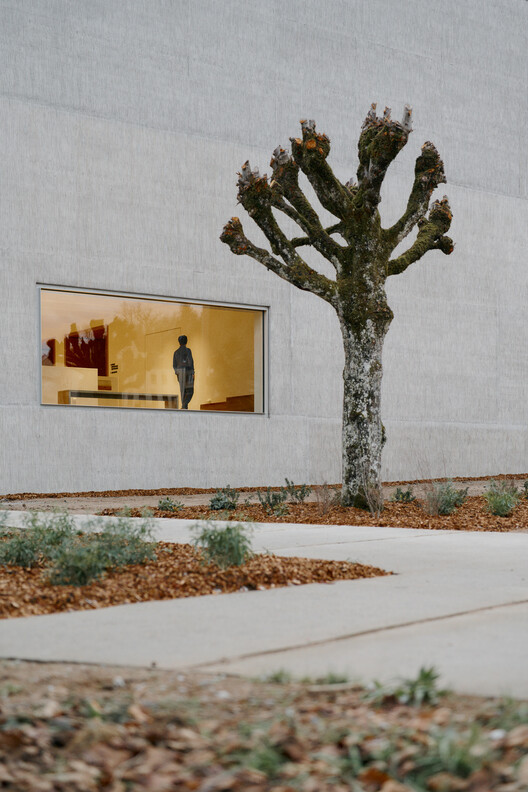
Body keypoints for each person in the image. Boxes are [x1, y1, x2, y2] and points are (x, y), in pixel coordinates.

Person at [173, 335, 194, 409]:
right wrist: (193, 372)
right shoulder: (188, 350)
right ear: (186, 341)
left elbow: (174, 365)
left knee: (183, 391)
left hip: (180, 373)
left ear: (179, 342)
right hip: (188, 371)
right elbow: (190, 362)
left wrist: (177, 373)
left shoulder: (176, 352)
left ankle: (184, 407)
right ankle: (184, 406)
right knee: (190, 391)